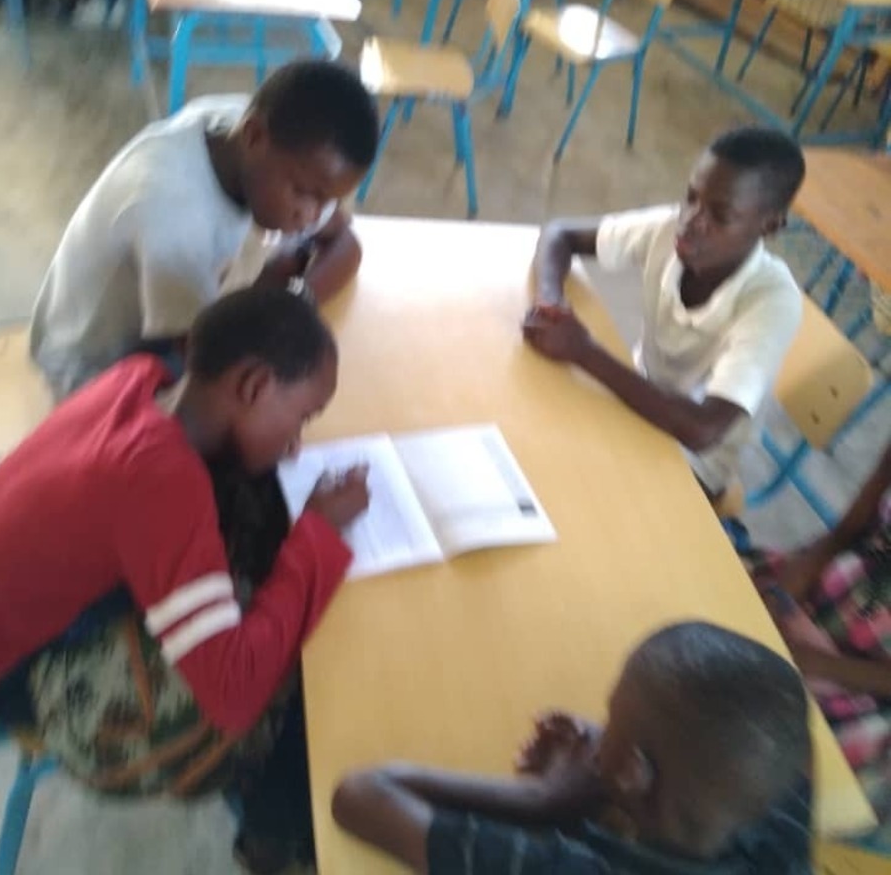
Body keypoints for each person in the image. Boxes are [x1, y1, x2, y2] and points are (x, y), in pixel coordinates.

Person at [0, 286, 370, 871]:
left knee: (256, 525)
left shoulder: (144, 378)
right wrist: (314, 536)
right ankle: (276, 832)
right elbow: (234, 691)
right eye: (303, 417)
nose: (297, 442)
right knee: (284, 669)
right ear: (255, 386)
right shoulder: (159, 479)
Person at [332, 621, 813, 874]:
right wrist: (621, 756)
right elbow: (790, 733)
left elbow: (360, 794)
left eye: (609, 722)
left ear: (632, 774)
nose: (596, 732)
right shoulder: (778, 832)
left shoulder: (565, 867)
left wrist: (543, 798)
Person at [29, 60, 380, 399]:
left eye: (328, 200)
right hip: (92, 368)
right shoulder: (172, 213)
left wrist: (298, 297)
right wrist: (279, 307)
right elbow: (208, 367)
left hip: (179, 333)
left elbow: (345, 242)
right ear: (254, 136)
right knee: (260, 406)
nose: (311, 216)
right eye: (305, 193)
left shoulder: (260, 142)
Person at [523, 126, 805, 503]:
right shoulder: (667, 230)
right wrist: (551, 303)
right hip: (636, 402)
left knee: (572, 494)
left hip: (694, 465)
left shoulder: (771, 302)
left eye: (720, 215)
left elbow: (702, 430)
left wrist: (584, 351)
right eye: (691, 196)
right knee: (534, 441)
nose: (690, 219)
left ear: (769, 225)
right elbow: (560, 233)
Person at [744, 440, 891, 846]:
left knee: (783, 766)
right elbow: (848, 530)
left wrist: (822, 665)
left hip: (872, 683)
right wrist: (789, 587)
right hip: (826, 594)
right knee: (710, 585)